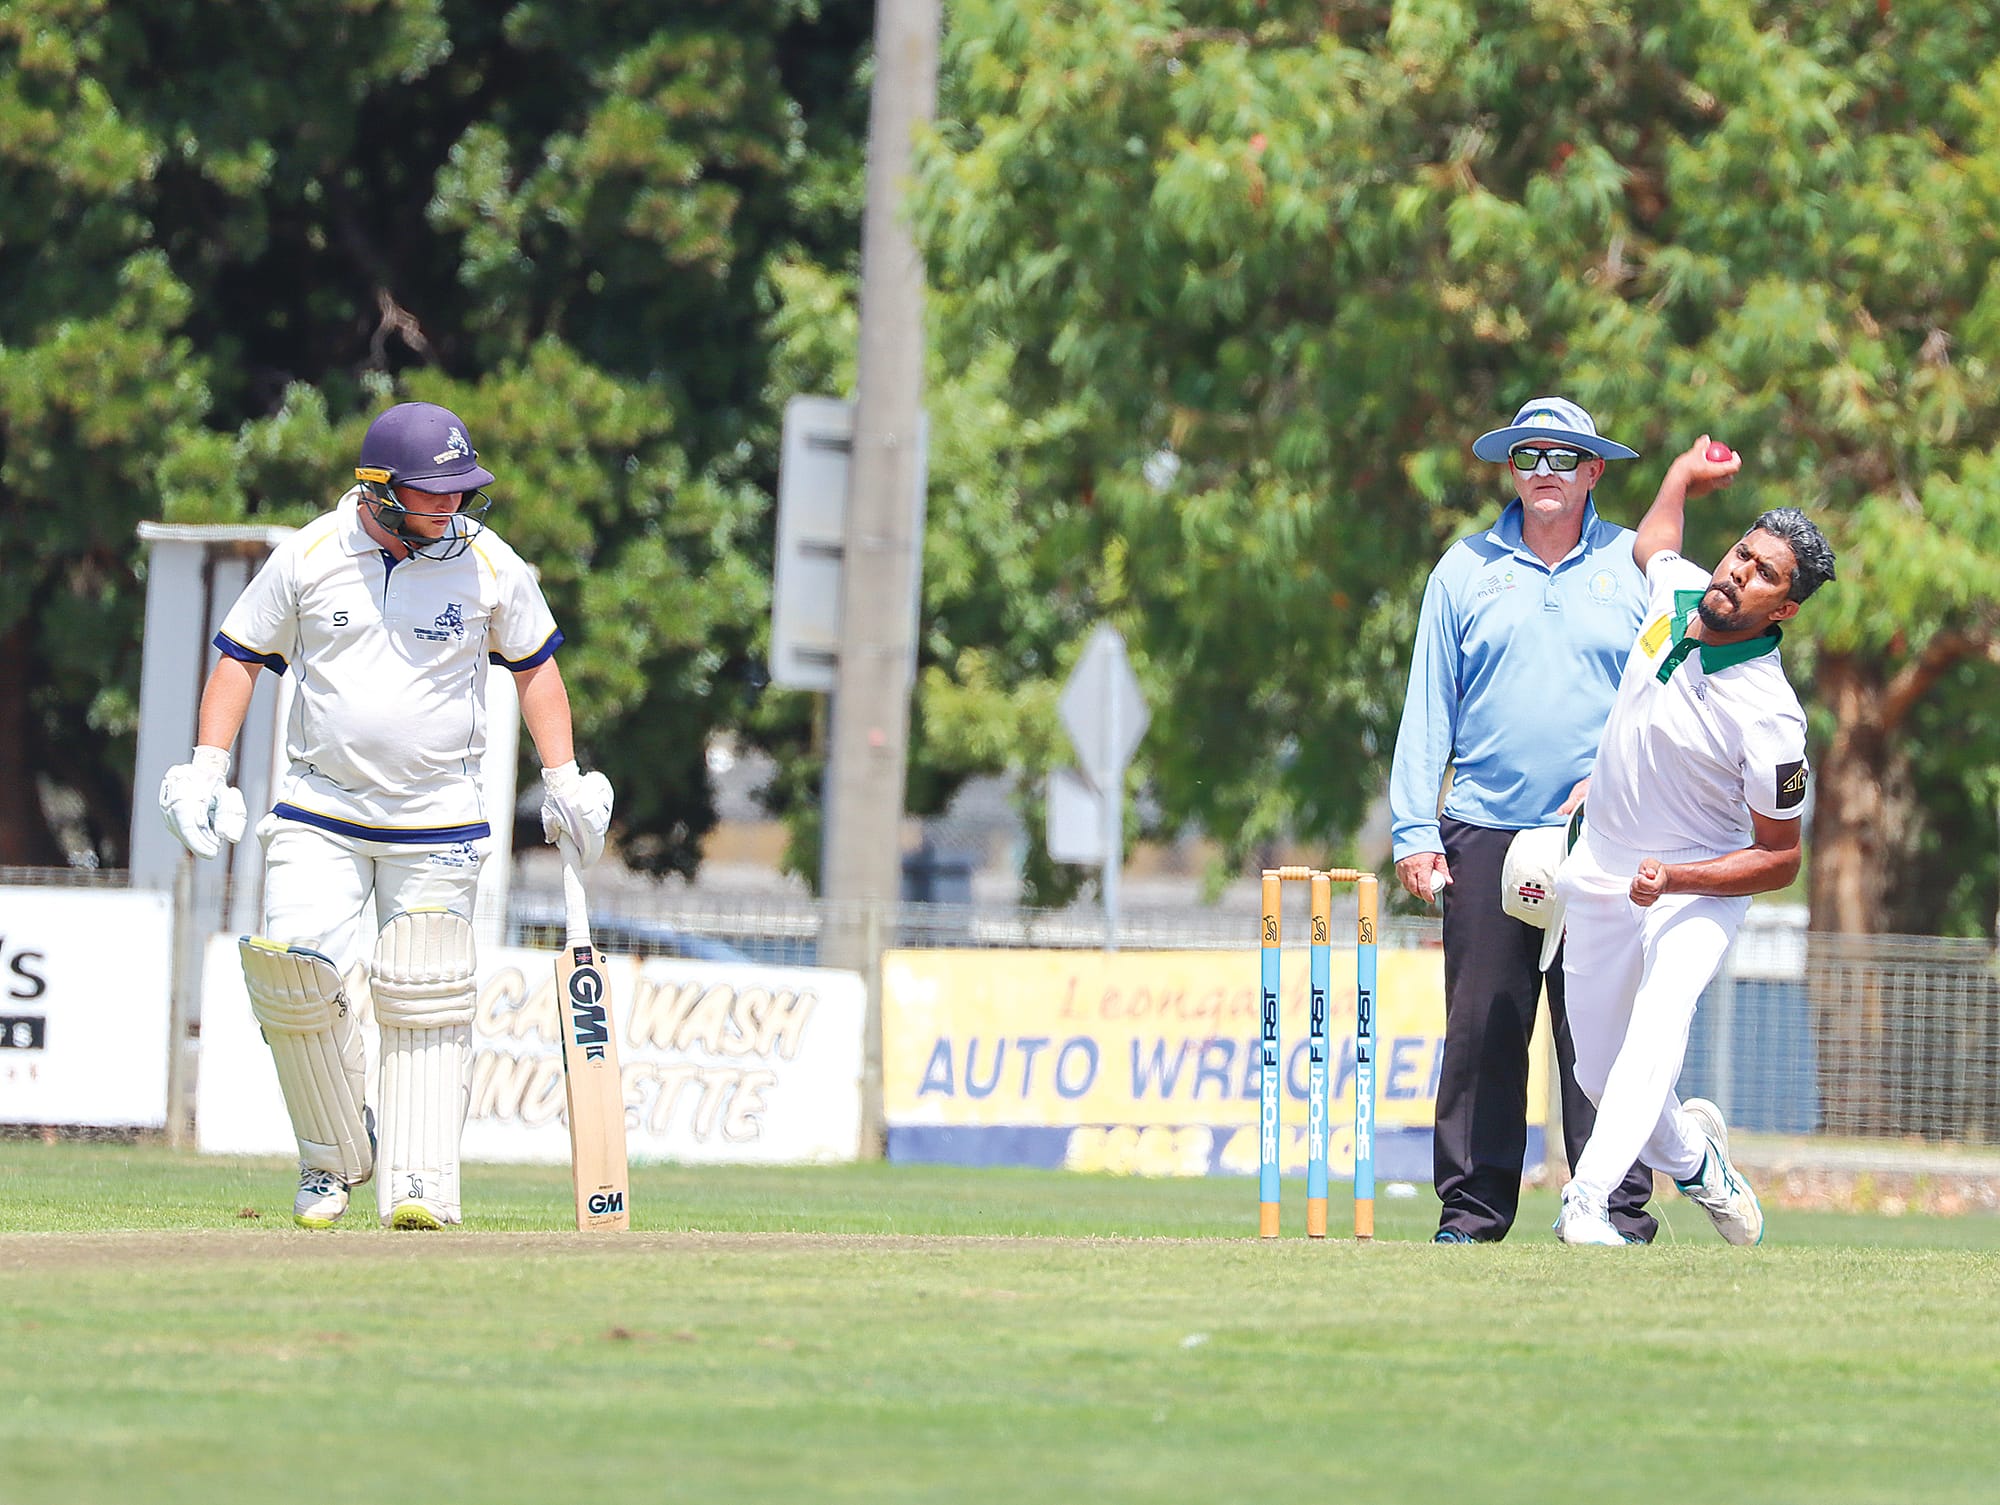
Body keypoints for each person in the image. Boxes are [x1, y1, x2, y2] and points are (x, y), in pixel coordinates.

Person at [157, 401, 614, 1230]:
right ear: (377, 489)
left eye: (460, 493)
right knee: (294, 979)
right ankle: (333, 1160)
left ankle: (422, 1182)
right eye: (434, 494)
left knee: (426, 992)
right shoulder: (310, 555)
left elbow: (538, 668)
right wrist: (206, 769)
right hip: (319, 807)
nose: (452, 509)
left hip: (439, 817)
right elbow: (239, 656)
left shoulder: (488, 565)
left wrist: (565, 777)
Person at [1551, 439, 1836, 1247]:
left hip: (1697, 885)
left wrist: (1674, 875)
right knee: (1597, 1073)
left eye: (1764, 575)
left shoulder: (1772, 716)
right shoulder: (1678, 592)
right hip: (1604, 866)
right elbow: (1655, 546)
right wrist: (1678, 476)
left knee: (1658, 1019)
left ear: (1783, 608)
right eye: (1743, 552)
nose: (1739, 571)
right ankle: (1700, 1164)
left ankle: (1588, 1201)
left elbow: (1781, 857)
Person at [1389, 396, 1659, 1244]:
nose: (1544, 473)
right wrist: (1413, 832)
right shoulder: (1464, 570)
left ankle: (1612, 1205)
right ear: (1513, 470)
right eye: (1529, 457)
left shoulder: (1638, 566)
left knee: (1601, 1030)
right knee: (1483, 1029)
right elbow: (1427, 704)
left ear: (1594, 471)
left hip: (1605, 832)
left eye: (1562, 458)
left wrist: (1626, 787)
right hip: (1485, 828)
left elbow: (1666, 701)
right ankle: (1471, 1213)